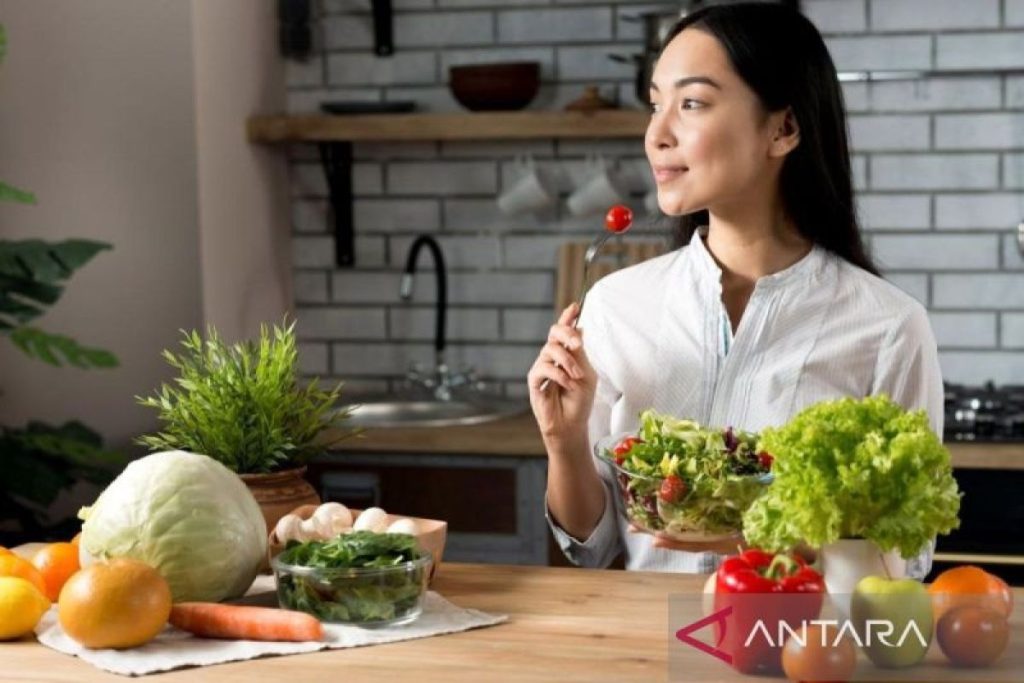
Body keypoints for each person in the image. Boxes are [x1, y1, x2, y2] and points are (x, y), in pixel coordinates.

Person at [527, 3, 942, 576]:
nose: (657, 135)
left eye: (692, 103)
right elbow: (591, 548)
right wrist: (564, 440)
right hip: (646, 632)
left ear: (782, 129)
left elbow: (906, 560)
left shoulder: (888, 326)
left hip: (797, 632)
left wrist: (762, 535)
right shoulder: (617, 305)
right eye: (656, 105)